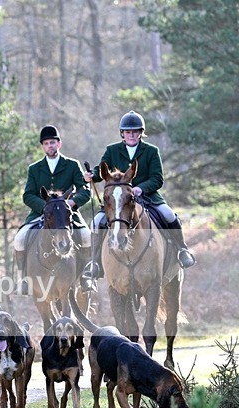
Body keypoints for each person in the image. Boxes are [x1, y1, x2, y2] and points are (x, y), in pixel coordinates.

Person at [81, 110, 195, 288]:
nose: (131, 135)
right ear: (122, 133)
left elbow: (157, 178)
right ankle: (95, 262)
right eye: (128, 132)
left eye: (135, 131)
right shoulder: (112, 150)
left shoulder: (151, 151)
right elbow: (101, 171)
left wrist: (141, 188)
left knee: (169, 215)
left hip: (148, 197)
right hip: (120, 201)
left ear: (141, 133)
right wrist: (91, 176)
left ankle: (181, 249)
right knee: (96, 221)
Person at [14, 125, 92, 295]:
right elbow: (27, 195)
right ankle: (23, 279)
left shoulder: (72, 165)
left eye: (53, 142)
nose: (50, 146)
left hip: (66, 214)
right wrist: (46, 208)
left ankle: (85, 276)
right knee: (19, 238)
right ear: (43, 146)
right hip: (42, 213)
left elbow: (85, 191)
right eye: (47, 143)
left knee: (86, 236)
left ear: (59, 144)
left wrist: (71, 203)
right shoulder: (34, 168)